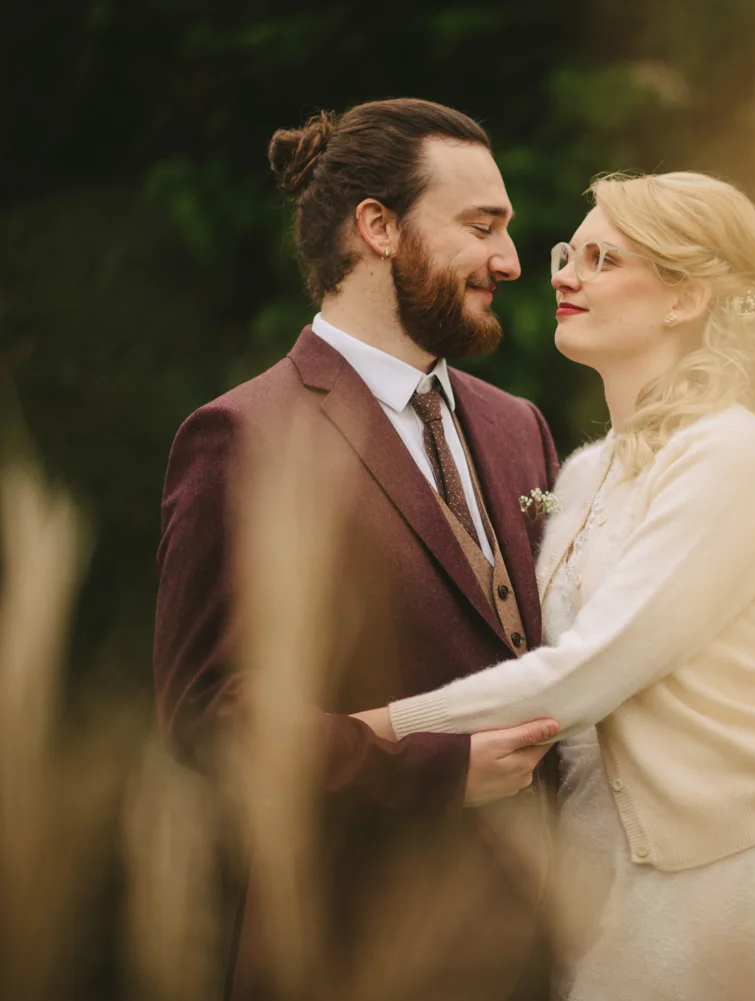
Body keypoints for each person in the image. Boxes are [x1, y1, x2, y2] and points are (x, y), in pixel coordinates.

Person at [355, 171, 755, 999]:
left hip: (699, 887)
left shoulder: (733, 459)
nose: (564, 276)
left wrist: (376, 730)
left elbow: (585, 671)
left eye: (602, 258)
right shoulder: (582, 474)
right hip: (584, 890)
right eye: (570, 251)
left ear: (683, 300)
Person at [153, 98, 561, 1001]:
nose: (511, 260)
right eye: (482, 226)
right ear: (377, 226)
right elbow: (205, 716)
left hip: (540, 947)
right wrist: (434, 769)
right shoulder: (243, 435)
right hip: (352, 952)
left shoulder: (516, 426)